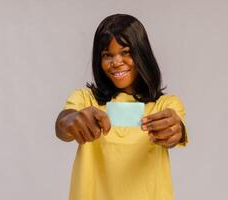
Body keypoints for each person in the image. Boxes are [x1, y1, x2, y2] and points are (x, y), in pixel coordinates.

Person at [55, 13, 188, 200]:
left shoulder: (164, 105)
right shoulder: (86, 100)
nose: (116, 63)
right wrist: (70, 121)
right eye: (107, 55)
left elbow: (176, 127)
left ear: (141, 54)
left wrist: (175, 130)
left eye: (125, 52)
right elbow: (63, 123)